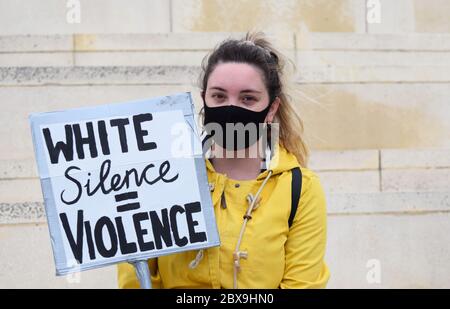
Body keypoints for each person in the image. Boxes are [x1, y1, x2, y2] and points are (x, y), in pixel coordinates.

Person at [118, 31, 330, 289]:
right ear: (204, 100)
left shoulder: (301, 189)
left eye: (248, 98)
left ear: (271, 109)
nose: (231, 108)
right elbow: (135, 280)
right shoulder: (161, 178)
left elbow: (303, 285)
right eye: (219, 96)